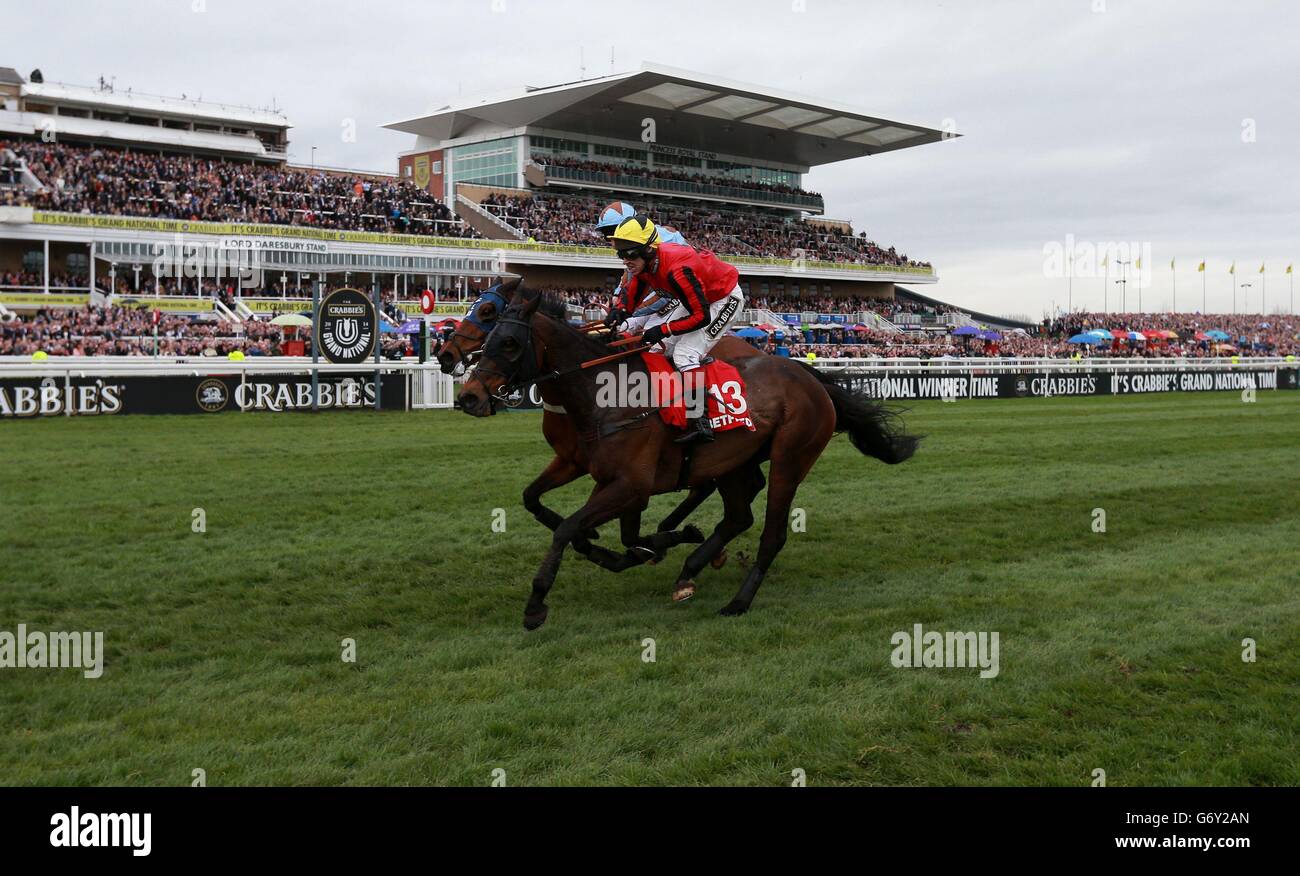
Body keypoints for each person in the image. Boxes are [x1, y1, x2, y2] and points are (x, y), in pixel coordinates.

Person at [604, 214, 745, 444]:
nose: (625, 260)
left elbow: (701, 317)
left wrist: (663, 329)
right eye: (621, 254)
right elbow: (638, 285)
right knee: (655, 350)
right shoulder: (647, 265)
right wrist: (621, 311)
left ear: (649, 250)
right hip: (698, 299)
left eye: (629, 253)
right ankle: (669, 407)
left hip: (724, 299)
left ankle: (701, 420)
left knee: (684, 354)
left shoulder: (676, 270)